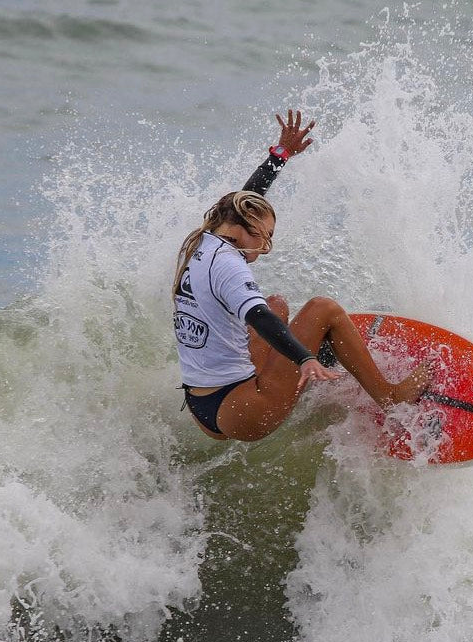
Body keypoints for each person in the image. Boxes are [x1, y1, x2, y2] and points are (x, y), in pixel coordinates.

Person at [173, 109, 429, 442]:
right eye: (264, 238)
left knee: (278, 304)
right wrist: (304, 357)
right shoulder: (229, 264)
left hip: (203, 406)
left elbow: (245, 201)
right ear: (243, 230)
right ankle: (389, 397)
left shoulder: (200, 240)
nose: (263, 248)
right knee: (323, 309)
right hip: (246, 412)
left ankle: (312, 368)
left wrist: (279, 155)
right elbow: (258, 316)